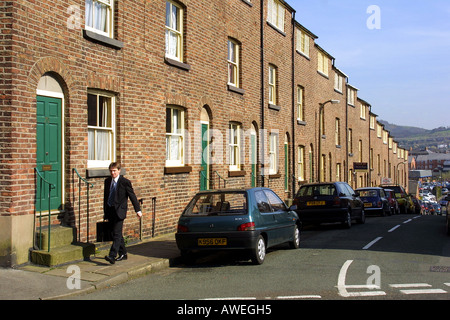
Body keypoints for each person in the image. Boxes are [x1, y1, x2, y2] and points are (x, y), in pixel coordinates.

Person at [103, 162, 142, 264]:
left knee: (116, 234)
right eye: (111, 171)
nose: (113, 173)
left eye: (114, 171)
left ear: (119, 171)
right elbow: (105, 198)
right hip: (110, 211)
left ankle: (112, 255)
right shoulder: (107, 181)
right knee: (115, 234)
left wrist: (138, 210)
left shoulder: (125, 182)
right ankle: (123, 253)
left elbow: (132, 196)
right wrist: (105, 212)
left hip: (120, 211)